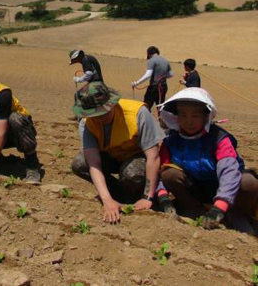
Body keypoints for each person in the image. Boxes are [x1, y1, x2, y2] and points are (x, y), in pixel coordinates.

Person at [157, 88, 258, 233]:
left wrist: (220, 206)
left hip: (227, 189)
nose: (189, 121)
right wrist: (162, 196)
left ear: (206, 117)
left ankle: (236, 214)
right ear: (176, 117)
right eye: (183, 115)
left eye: (196, 115)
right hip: (195, 187)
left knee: (249, 183)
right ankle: (193, 208)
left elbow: (228, 171)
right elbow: (161, 169)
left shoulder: (219, 138)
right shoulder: (171, 140)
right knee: (169, 174)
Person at [71, 82, 164, 223]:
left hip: (136, 157)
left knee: (132, 174)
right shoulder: (87, 123)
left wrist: (147, 197)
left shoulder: (138, 113)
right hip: (112, 157)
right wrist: (107, 200)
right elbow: (93, 163)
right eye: (95, 115)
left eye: (104, 112)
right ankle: (116, 194)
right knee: (79, 163)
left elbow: (153, 156)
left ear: (112, 103)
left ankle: (134, 194)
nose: (100, 118)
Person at [131, 46, 173, 111]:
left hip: (154, 87)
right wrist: (161, 77)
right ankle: (162, 120)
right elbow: (171, 75)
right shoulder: (165, 60)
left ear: (149, 53)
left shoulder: (152, 60)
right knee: (160, 108)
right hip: (164, 87)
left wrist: (136, 83)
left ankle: (146, 120)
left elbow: (148, 74)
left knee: (145, 107)